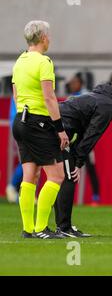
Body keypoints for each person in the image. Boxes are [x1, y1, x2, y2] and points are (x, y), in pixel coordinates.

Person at [54, 71, 112, 238]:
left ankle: (61, 226)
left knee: (60, 177)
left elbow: (85, 133)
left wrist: (76, 156)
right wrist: (78, 163)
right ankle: (63, 227)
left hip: (57, 128)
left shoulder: (103, 95)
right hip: (57, 130)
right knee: (69, 177)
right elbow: (91, 136)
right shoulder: (108, 105)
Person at [12, 20, 70, 239]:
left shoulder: (19, 61)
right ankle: (41, 228)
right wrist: (60, 129)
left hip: (20, 120)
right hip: (39, 122)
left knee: (30, 175)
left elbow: (17, 95)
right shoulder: (44, 62)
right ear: (44, 38)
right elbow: (49, 97)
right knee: (56, 176)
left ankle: (28, 229)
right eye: (49, 35)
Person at [67, 72, 101, 205]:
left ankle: (96, 197)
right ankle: (68, 197)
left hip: (85, 139)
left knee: (90, 168)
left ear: (80, 83)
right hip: (74, 139)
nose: (71, 85)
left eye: (74, 83)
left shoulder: (86, 96)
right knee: (70, 168)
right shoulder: (72, 97)